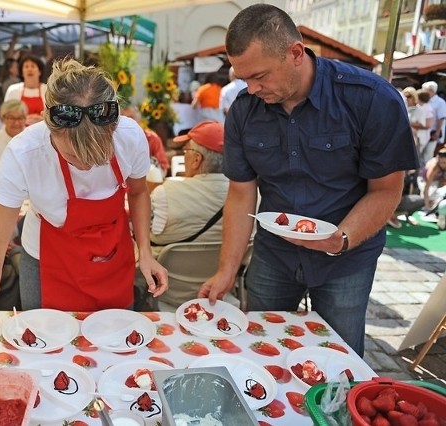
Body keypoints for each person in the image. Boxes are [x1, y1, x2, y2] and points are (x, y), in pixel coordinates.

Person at [198, 4, 418, 357]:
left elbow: (386, 191)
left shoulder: (371, 99)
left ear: (295, 53)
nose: (252, 89)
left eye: (260, 76)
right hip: (274, 257)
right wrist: (227, 270)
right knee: (260, 353)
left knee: (338, 361)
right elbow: (241, 195)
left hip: (347, 260)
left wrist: (341, 238)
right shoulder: (243, 110)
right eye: (244, 80)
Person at [0, 58, 168, 358]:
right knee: (47, 350)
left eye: (98, 154)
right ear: (49, 129)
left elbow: (138, 193)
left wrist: (145, 251)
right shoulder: (24, 154)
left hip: (113, 256)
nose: (86, 165)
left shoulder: (130, 137)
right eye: (74, 156)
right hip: (49, 262)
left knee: (115, 349)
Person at [149, 121, 228, 253]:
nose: (184, 155)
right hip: (227, 271)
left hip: (169, 271)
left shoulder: (165, 194)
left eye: (186, 150)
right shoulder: (252, 196)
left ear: (197, 160)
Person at [121, 105, 169, 175]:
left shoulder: (152, 138)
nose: (128, 123)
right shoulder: (117, 141)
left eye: (131, 118)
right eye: (125, 119)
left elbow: (163, 168)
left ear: (139, 120)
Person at [4, 54, 48, 125]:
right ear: (22, 72)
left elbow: (54, 116)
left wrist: (42, 120)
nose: (29, 69)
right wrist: (22, 120)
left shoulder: (47, 90)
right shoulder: (13, 90)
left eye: (33, 66)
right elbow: (6, 114)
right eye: (26, 66)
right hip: (19, 132)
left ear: (40, 71)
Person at [420, 148, 446, 230]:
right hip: (424, 181)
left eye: (445, 163)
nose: (443, 165)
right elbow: (426, 187)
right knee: (431, 196)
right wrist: (427, 208)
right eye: (442, 162)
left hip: (438, 181)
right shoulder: (433, 166)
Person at [421, 81, 446, 155]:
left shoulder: (440, 102)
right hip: (425, 132)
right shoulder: (426, 101)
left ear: (431, 91)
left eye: (424, 90)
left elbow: (441, 118)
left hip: (433, 133)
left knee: (428, 154)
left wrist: (437, 132)